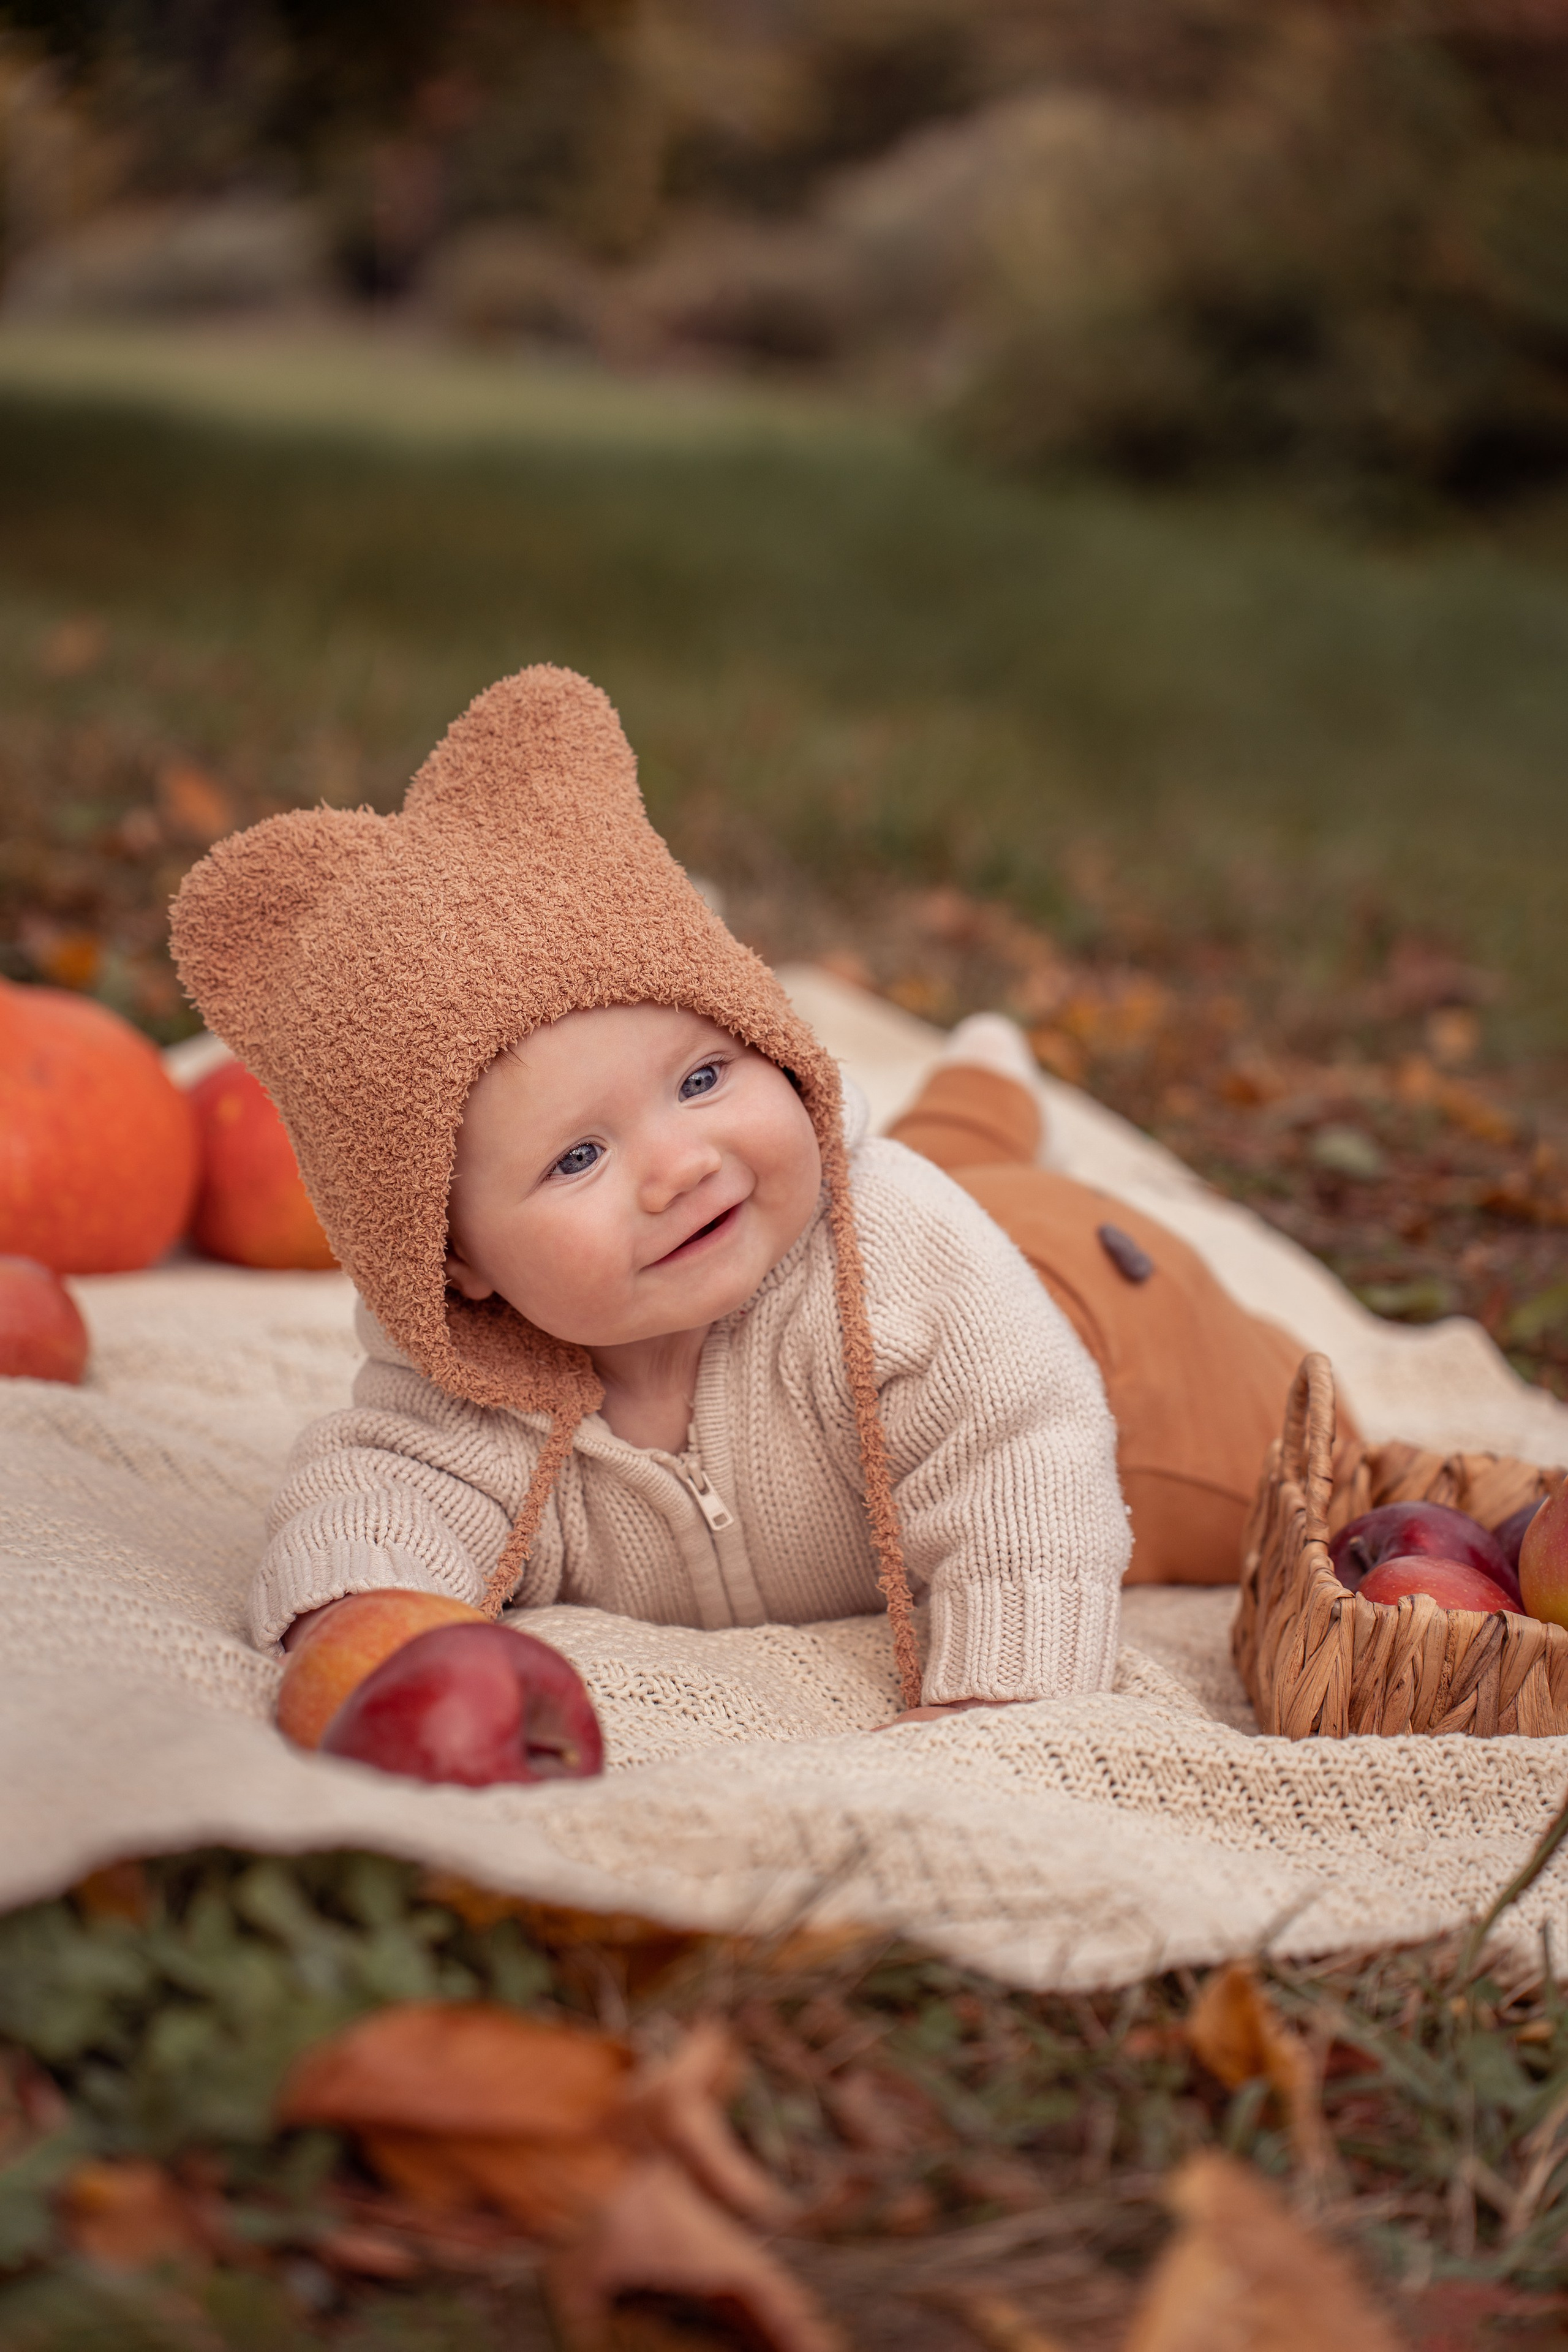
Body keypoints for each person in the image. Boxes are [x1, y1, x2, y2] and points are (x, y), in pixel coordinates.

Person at [170, 665, 1302, 1741]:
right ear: (451, 1257)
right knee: (953, 1159)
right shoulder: (473, 1391)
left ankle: (989, 1087)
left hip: (1092, 1311)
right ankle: (976, 1097)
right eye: (579, 1158)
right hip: (876, 1210)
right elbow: (378, 1493)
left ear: (774, 1047)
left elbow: (1022, 1443)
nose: (680, 1166)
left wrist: (1004, 1686)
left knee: (1213, 1393)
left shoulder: (899, 1257)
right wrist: (361, 1620)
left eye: (705, 1079)